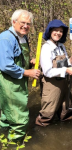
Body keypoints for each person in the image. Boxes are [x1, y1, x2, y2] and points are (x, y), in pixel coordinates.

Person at [0, 9, 41, 143]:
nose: (26, 26)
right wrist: (27, 72)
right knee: (19, 119)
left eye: (28, 24)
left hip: (19, 82)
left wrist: (28, 62)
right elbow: (5, 65)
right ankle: (14, 144)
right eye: (23, 22)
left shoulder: (22, 37)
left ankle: (3, 139)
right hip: (10, 84)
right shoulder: (6, 38)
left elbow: (17, 57)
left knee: (7, 115)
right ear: (14, 22)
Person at [35, 19, 72, 127]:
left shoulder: (61, 46)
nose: (58, 33)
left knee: (66, 111)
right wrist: (66, 70)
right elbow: (47, 72)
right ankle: (40, 135)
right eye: (56, 30)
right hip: (51, 85)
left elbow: (67, 63)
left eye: (61, 31)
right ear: (50, 31)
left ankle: (65, 133)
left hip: (64, 84)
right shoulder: (46, 48)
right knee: (47, 114)